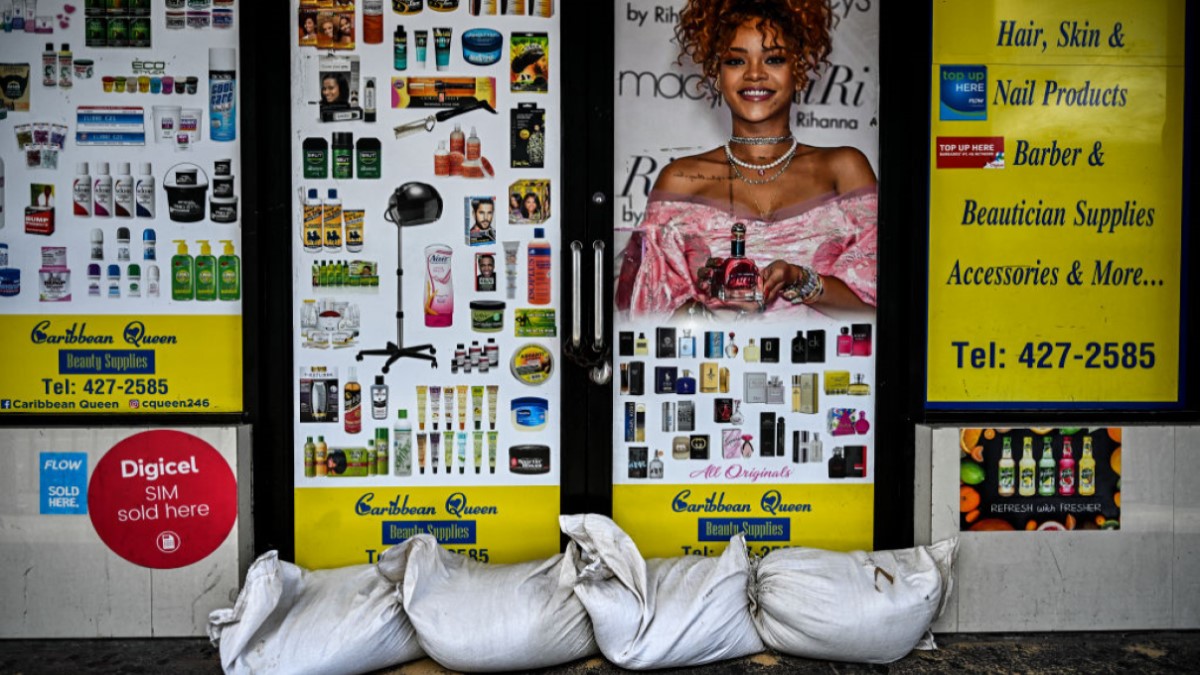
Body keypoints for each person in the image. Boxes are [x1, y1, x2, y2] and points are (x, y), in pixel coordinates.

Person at [616, 0, 877, 320]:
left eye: (774, 59)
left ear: (798, 70)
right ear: (716, 73)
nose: (755, 74)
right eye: (736, 60)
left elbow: (881, 315)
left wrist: (799, 280)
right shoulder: (680, 180)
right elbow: (645, 321)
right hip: (714, 355)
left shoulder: (845, 169)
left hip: (823, 355)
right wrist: (709, 306)